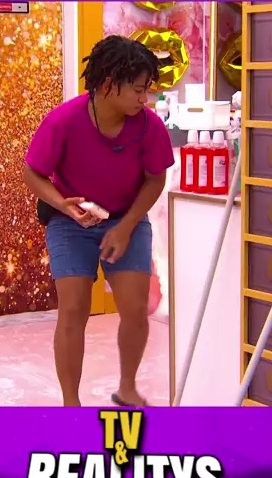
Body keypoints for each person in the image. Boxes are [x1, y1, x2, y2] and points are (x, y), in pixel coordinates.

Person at [23, 34, 175, 407]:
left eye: (147, 89)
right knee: (74, 308)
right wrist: (62, 204)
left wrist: (125, 227)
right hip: (70, 223)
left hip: (127, 218)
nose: (144, 98)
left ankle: (127, 388)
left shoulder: (149, 126)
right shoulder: (64, 121)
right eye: (138, 90)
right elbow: (33, 174)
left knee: (135, 310)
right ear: (108, 85)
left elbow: (155, 179)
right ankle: (70, 404)